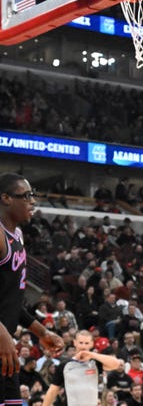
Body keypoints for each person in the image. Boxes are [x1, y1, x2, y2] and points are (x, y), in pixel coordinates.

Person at [1, 173, 64, 406]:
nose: (33, 202)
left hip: (5, 350)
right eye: (26, 196)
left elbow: (11, 301)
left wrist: (42, 333)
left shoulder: (16, 237)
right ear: (6, 198)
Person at [42, 329, 124, 406]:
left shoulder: (95, 362)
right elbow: (52, 391)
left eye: (86, 343)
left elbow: (116, 364)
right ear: (75, 342)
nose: (83, 346)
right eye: (81, 343)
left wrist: (92, 355)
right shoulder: (64, 366)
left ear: (92, 344)